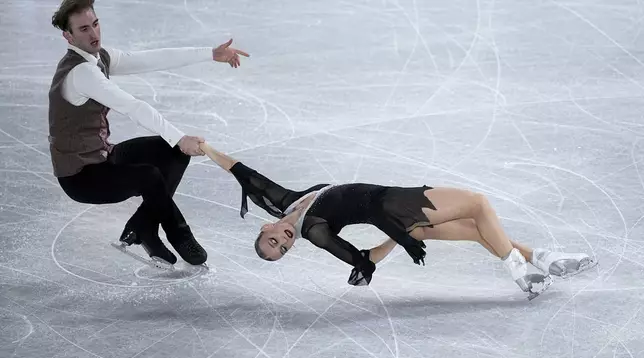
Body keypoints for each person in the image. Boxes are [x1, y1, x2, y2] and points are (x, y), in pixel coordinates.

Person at [198, 142, 597, 300]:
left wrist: (205, 148)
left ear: (265, 228)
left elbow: (246, 174)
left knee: (477, 231)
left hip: (395, 214)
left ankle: (543, 258)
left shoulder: (286, 204)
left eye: (273, 242)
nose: (283, 242)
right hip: (395, 204)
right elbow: (360, 258)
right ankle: (521, 271)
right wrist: (401, 239)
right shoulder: (315, 230)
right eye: (283, 250)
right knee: (477, 204)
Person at [48, 0, 249, 270]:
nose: (93, 34)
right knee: (149, 176)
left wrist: (209, 53)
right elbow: (133, 106)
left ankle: (143, 227)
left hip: (103, 156)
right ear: (68, 36)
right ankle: (178, 234)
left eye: (95, 24)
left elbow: (148, 59)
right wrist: (180, 137)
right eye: (83, 29)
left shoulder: (97, 58)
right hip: (81, 177)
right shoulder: (81, 72)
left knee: (172, 154)